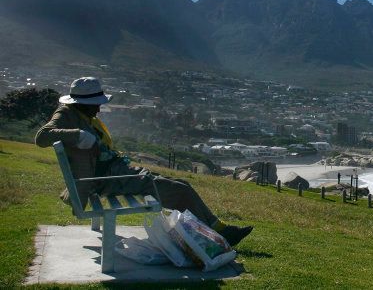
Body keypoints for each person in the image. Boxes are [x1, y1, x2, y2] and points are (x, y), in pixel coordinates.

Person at [35, 77, 252, 246]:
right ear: (82, 103)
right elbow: (43, 136)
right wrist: (78, 135)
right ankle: (219, 233)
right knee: (180, 191)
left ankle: (218, 229)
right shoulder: (66, 114)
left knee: (183, 186)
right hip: (108, 179)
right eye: (95, 104)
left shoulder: (81, 115)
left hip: (117, 172)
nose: (99, 108)